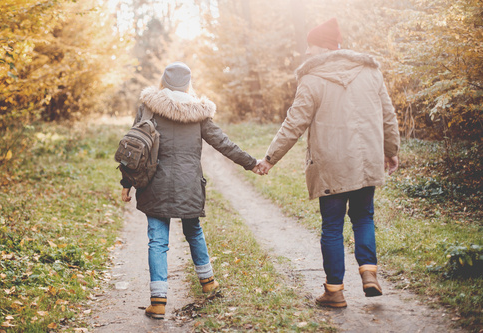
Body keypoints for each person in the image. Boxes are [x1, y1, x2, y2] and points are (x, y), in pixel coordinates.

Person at [257, 17, 400, 308]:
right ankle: (369, 273)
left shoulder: (311, 80)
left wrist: (270, 159)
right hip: (365, 160)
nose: (307, 53)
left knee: (332, 226)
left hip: (330, 165)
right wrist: (390, 149)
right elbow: (388, 115)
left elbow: (293, 125)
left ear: (321, 48)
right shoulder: (370, 72)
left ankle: (334, 291)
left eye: (310, 47)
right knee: (363, 217)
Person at [120, 62, 260, 319]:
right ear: (188, 84)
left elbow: (134, 148)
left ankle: (158, 301)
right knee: (193, 230)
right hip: (189, 184)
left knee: (157, 240)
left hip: (154, 184)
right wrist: (251, 163)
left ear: (163, 81)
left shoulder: (148, 109)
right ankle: (208, 283)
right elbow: (223, 143)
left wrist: (126, 184)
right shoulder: (199, 113)